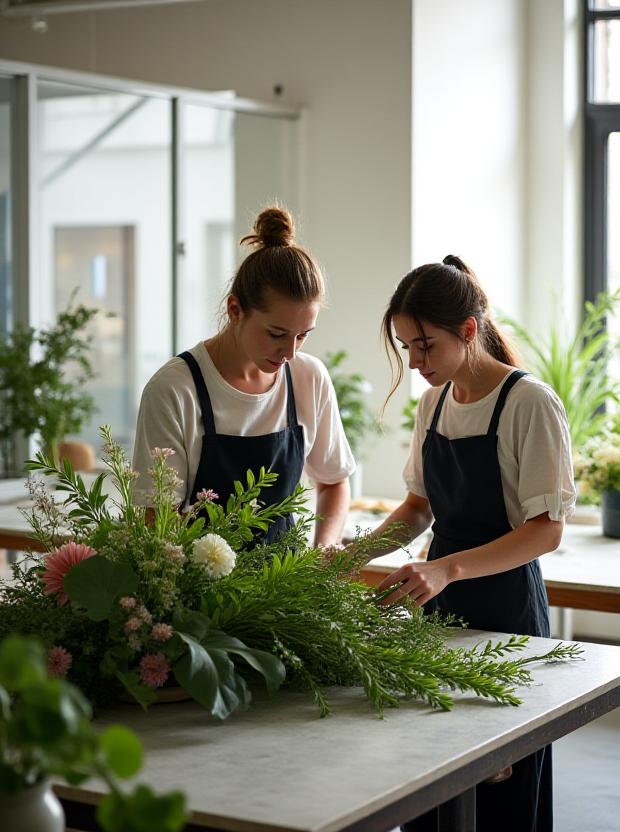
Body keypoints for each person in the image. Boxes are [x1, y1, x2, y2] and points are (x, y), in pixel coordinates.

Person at [368, 255, 576, 832]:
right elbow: (417, 509)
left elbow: (546, 530)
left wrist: (447, 569)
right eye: (406, 346)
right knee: (430, 779)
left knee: (501, 787)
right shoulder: (432, 405)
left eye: (426, 346)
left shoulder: (528, 403)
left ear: (467, 331)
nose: (416, 363)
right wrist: (352, 552)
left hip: (506, 612)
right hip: (437, 609)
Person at [132, 206, 355, 546]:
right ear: (234, 310)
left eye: (304, 335)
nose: (291, 352)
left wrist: (322, 553)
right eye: (277, 334)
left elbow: (333, 481)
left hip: (290, 582)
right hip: (201, 591)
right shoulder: (175, 389)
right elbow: (157, 518)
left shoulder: (308, 377)